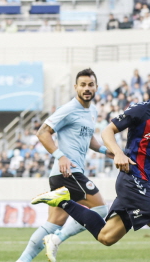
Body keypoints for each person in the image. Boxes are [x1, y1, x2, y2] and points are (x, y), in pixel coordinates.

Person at [7, 68, 113, 262]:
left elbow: (89, 138)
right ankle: (57, 240)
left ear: (96, 87)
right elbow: (42, 132)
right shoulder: (68, 109)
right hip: (68, 172)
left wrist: (106, 151)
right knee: (100, 209)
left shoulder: (91, 111)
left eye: (90, 85)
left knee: (53, 223)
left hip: (65, 175)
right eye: (82, 85)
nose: (87, 88)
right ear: (76, 87)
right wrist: (60, 155)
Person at [34, 97, 150, 248]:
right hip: (135, 178)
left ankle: (62, 201)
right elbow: (107, 131)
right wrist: (118, 153)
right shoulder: (142, 110)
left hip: (146, 183)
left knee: (106, 237)